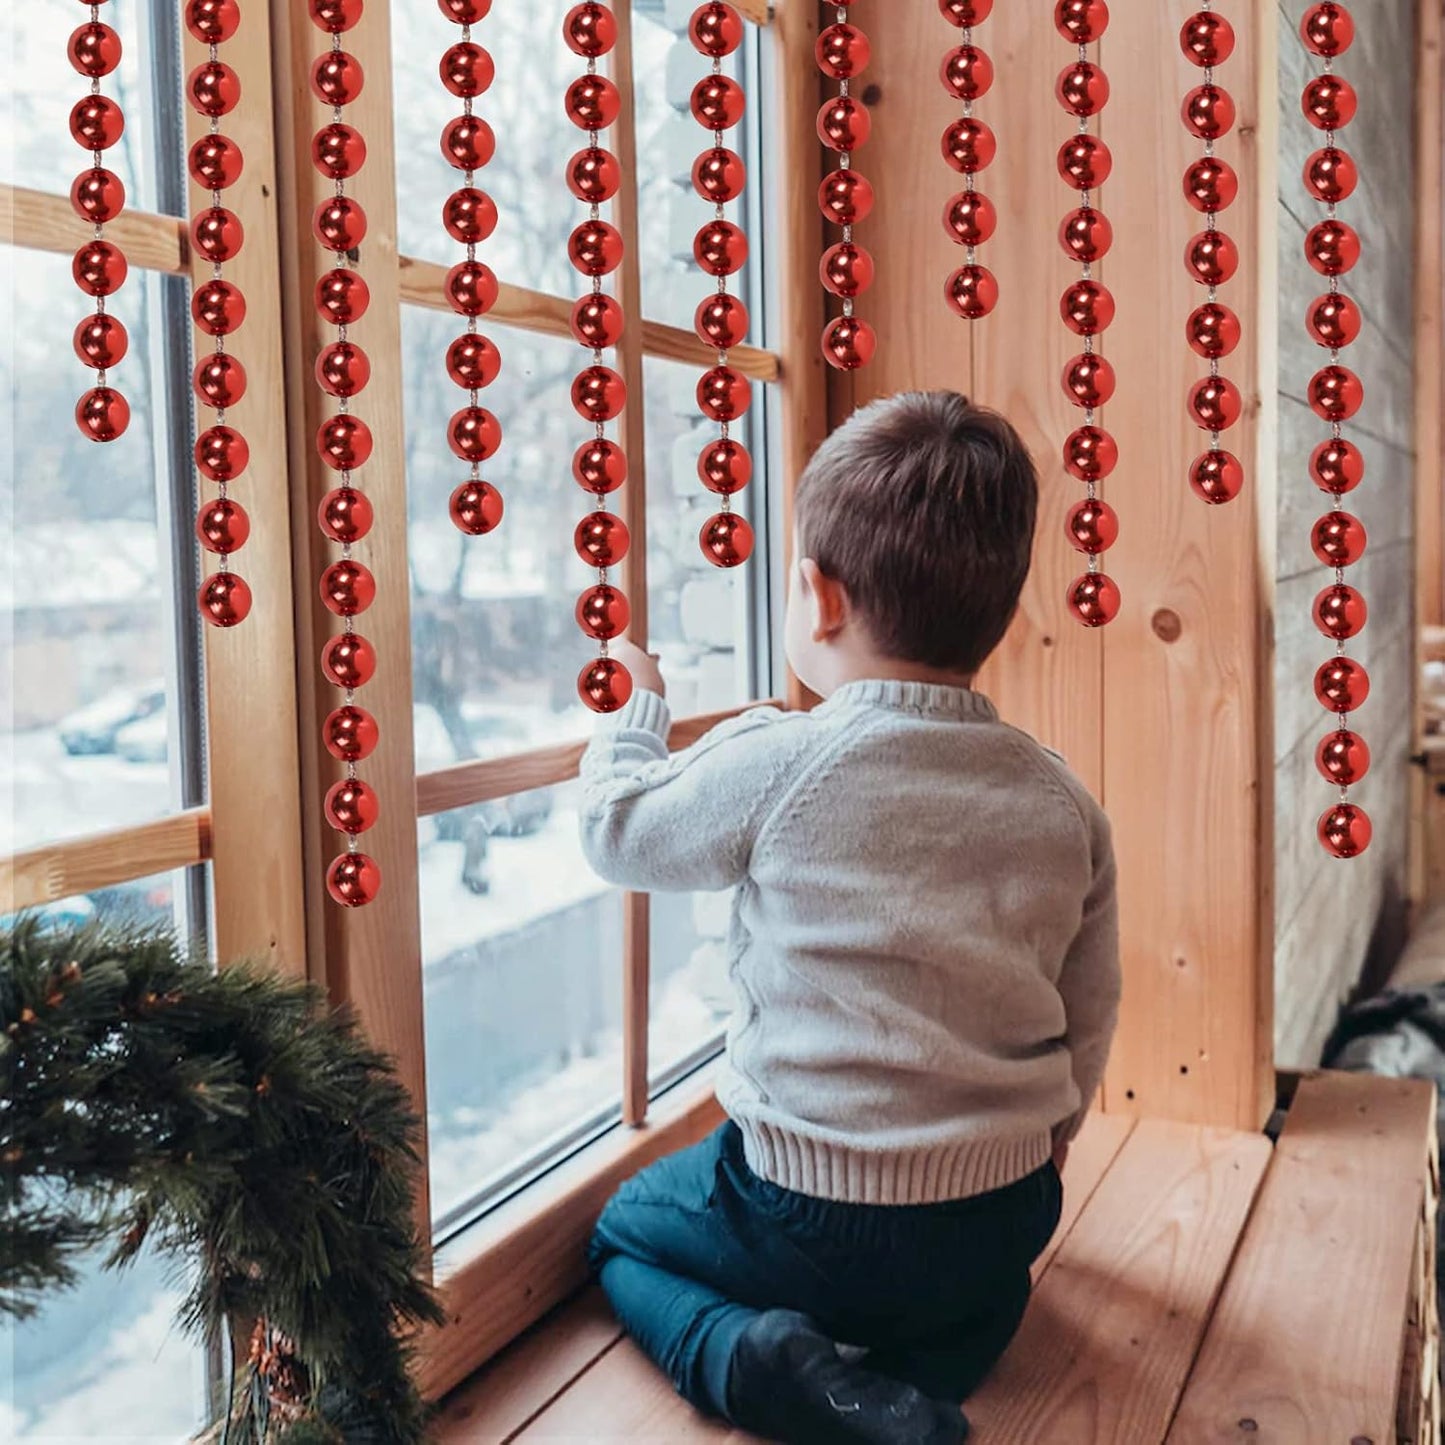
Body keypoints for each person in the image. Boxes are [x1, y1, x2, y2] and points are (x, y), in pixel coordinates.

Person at [579, 391, 1121, 1444]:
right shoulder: (1061, 800)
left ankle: (755, 1362)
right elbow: (1086, 1005)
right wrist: (1047, 1141)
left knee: (622, 1236)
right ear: (1001, 611)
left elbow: (617, 830)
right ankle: (913, 1376)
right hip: (994, 1208)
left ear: (814, 598)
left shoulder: (781, 756)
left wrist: (633, 712)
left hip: (799, 1208)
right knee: (986, 1297)